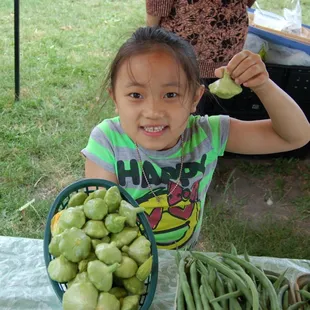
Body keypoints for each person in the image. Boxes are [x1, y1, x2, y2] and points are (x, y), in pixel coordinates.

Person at [82, 27, 310, 250]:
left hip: (184, 253)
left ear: (195, 98)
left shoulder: (207, 134)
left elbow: (295, 136)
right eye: (135, 95)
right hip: (124, 261)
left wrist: (262, 84)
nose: (153, 111)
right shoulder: (107, 142)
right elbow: (100, 218)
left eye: (170, 95)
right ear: (115, 98)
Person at [145, 0, 256, 115]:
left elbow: (156, 8)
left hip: (188, 55)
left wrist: (152, 40)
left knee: (181, 113)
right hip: (222, 50)